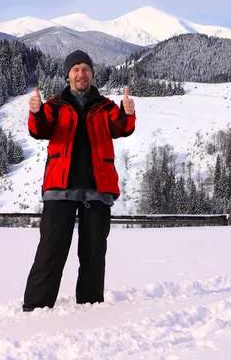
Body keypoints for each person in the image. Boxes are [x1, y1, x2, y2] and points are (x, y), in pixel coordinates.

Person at [23, 50, 136, 312]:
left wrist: (127, 113)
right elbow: (40, 130)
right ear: (68, 76)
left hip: (97, 190)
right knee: (51, 250)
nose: (81, 73)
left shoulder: (106, 106)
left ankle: (90, 307)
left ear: (92, 75)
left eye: (85, 69)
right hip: (59, 189)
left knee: (94, 254)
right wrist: (36, 112)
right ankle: (35, 307)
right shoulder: (54, 105)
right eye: (75, 69)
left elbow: (121, 128)